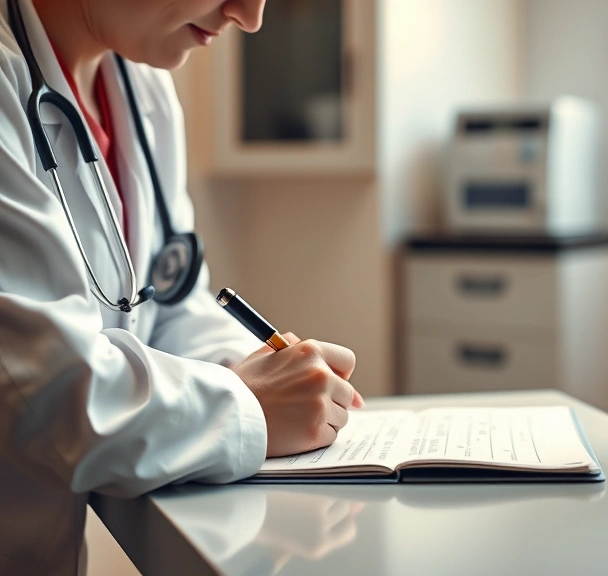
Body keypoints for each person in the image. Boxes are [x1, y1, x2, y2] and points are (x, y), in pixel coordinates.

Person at [0, 1, 365, 573]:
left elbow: (170, 307)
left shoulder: (142, 90)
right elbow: (43, 395)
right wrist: (248, 407)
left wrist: (262, 371)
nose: (250, 16)